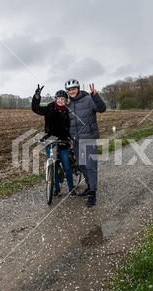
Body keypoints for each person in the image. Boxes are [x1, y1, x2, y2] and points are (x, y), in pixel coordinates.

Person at [65, 78, 107, 207]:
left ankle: (93, 194)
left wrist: (96, 96)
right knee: (82, 166)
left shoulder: (89, 99)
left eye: (73, 89)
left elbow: (102, 109)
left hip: (88, 139)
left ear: (78, 89)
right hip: (77, 141)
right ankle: (89, 187)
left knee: (90, 166)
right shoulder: (69, 105)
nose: (71, 91)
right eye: (69, 90)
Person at [32, 85, 76, 197]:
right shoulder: (50, 108)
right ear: (55, 99)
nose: (61, 101)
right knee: (54, 166)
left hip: (63, 141)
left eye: (63, 99)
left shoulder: (69, 111)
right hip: (50, 140)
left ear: (66, 100)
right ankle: (56, 189)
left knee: (66, 166)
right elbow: (36, 109)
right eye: (59, 99)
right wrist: (37, 97)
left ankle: (71, 188)